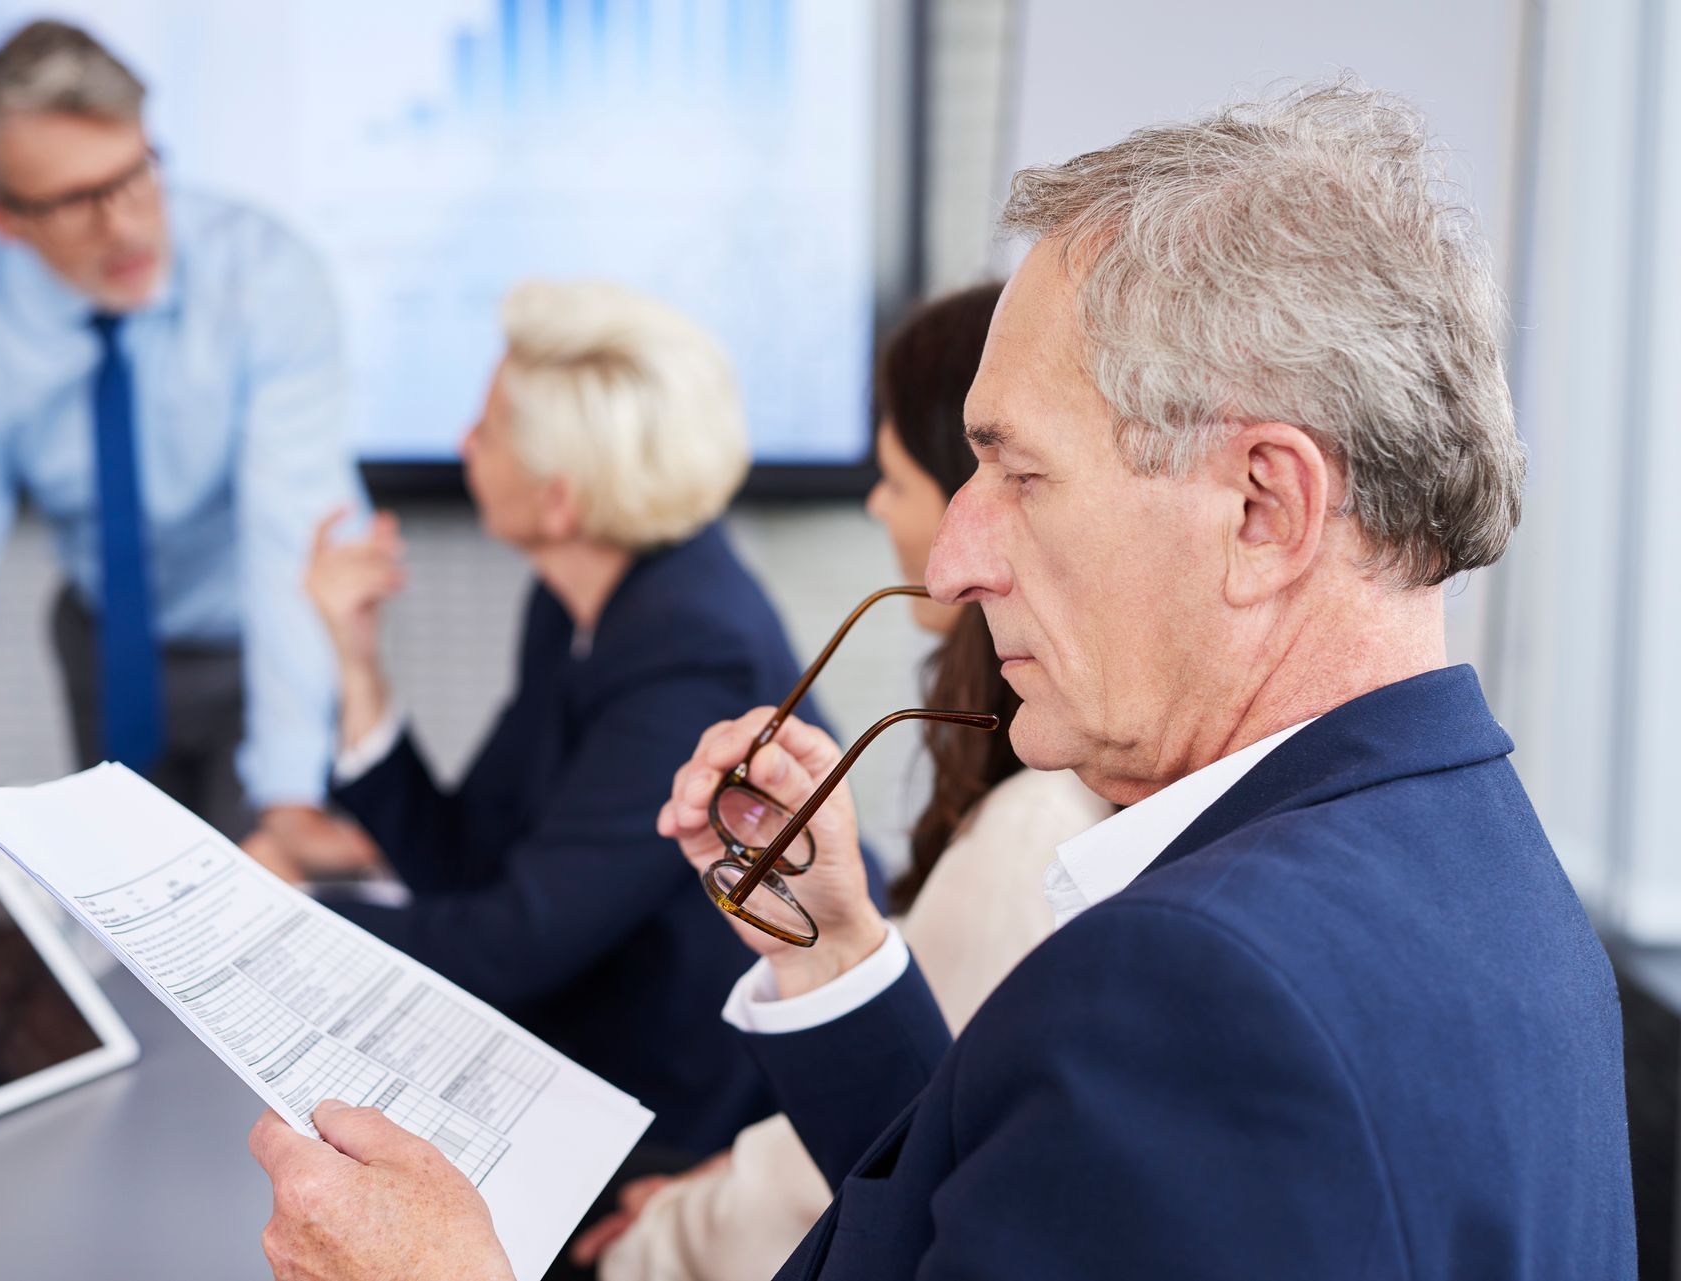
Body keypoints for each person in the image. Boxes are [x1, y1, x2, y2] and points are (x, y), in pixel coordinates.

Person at [246, 80, 1636, 1280]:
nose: (956, 557)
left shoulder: (1203, 991)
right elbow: (1026, 1216)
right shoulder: (1474, 865)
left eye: (1019, 472)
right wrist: (839, 960)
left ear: (1266, 509)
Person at [579, 284, 1114, 1280]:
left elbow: (911, 1177)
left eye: (894, 473)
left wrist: (668, 1228)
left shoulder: (1033, 827)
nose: (939, 553)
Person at [281, 279, 848, 1160]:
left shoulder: (692, 652)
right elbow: (468, 862)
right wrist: (359, 667)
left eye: (490, 429)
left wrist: (281, 916)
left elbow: (511, 945)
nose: (462, 443)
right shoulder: (582, 602)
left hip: (679, 1115)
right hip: (583, 1044)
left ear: (560, 500)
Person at [0, 20, 370, 863]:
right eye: (74, 201)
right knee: (127, 899)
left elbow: (291, 535)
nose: (125, 226)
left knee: (259, 911)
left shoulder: (267, 274)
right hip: (108, 642)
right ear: (0, 214)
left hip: (263, 636)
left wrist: (290, 790)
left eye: (134, 176)